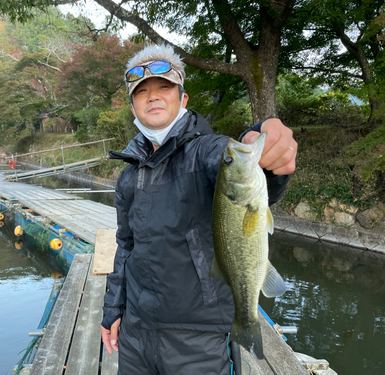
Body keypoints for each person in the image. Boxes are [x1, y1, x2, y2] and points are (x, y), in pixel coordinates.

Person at [100, 44, 297, 374]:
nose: (153, 97)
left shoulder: (209, 151)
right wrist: (113, 312)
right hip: (136, 331)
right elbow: (125, 247)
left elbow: (244, 167)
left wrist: (264, 144)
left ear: (183, 99)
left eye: (165, 87)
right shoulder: (128, 173)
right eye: (142, 92)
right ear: (132, 107)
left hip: (197, 337)